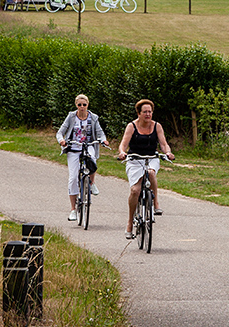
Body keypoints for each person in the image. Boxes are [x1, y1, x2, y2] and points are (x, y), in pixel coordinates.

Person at [116, 99, 174, 239]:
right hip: (135, 159)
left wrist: (167, 152)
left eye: (150, 112)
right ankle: (130, 223)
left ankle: (155, 203)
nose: (148, 114)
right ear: (139, 113)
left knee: (151, 173)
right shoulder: (132, 126)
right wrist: (122, 153)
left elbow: (163, 143)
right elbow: (123, 144)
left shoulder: (157, 126)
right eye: (145, 112)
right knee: (135, 190)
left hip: (151, 158)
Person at [56, 94, 110, 222]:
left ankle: (91, 183)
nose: (81, 107)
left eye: (84, 105)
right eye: (79, 105)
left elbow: (100, 132)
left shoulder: (93, 117)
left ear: (88, 105)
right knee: (73, 177)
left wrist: (104, 140)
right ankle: (73, 209)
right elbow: (60, 132)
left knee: (92, 161)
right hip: (74, 147)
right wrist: (62, 141)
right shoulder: (71, 116)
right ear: (76, 105)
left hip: (88, 145)